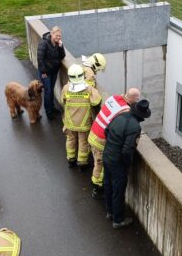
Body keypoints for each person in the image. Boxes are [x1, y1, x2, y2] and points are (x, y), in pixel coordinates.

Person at [103, 99, 151, 229]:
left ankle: (110, 211)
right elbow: (127, 150)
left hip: (107, 155)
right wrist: (127, 164)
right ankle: (118, 220)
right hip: (117, 162)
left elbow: (106, 131)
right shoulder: (135, 127)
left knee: (108, 184)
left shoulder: (119, 116)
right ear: (141, 116)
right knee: (118, 190)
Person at [88, 88, 141, 198]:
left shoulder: (113, 98)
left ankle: (96, 184)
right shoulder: (125, 110)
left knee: (97, 162)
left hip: (93, 132)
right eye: (137, 100)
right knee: (100, 165)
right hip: (100, 140)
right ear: (133, 100)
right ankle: (97, 188)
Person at [61, 64, 102, 170]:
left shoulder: (66, 88)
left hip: (70, 122)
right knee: (83, 142)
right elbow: (96, 101)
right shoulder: (88, 89)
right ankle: (82, 162)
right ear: (82, 75)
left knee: (70, 139)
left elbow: (63, 101)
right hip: (84, 122)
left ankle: (71, 159)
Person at [37, 26, 66, 119]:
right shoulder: (44, 43)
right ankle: (48, 112)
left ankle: (52, 107)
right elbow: (40, 59)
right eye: (57, 36)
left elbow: (62, 56)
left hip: (53, 71)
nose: (58, 38)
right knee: (48, 91)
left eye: (60, 36)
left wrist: (61, 46)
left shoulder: (58, 44)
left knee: (51, 90)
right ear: (52, 34)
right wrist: (43, 72)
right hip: (45, 73)